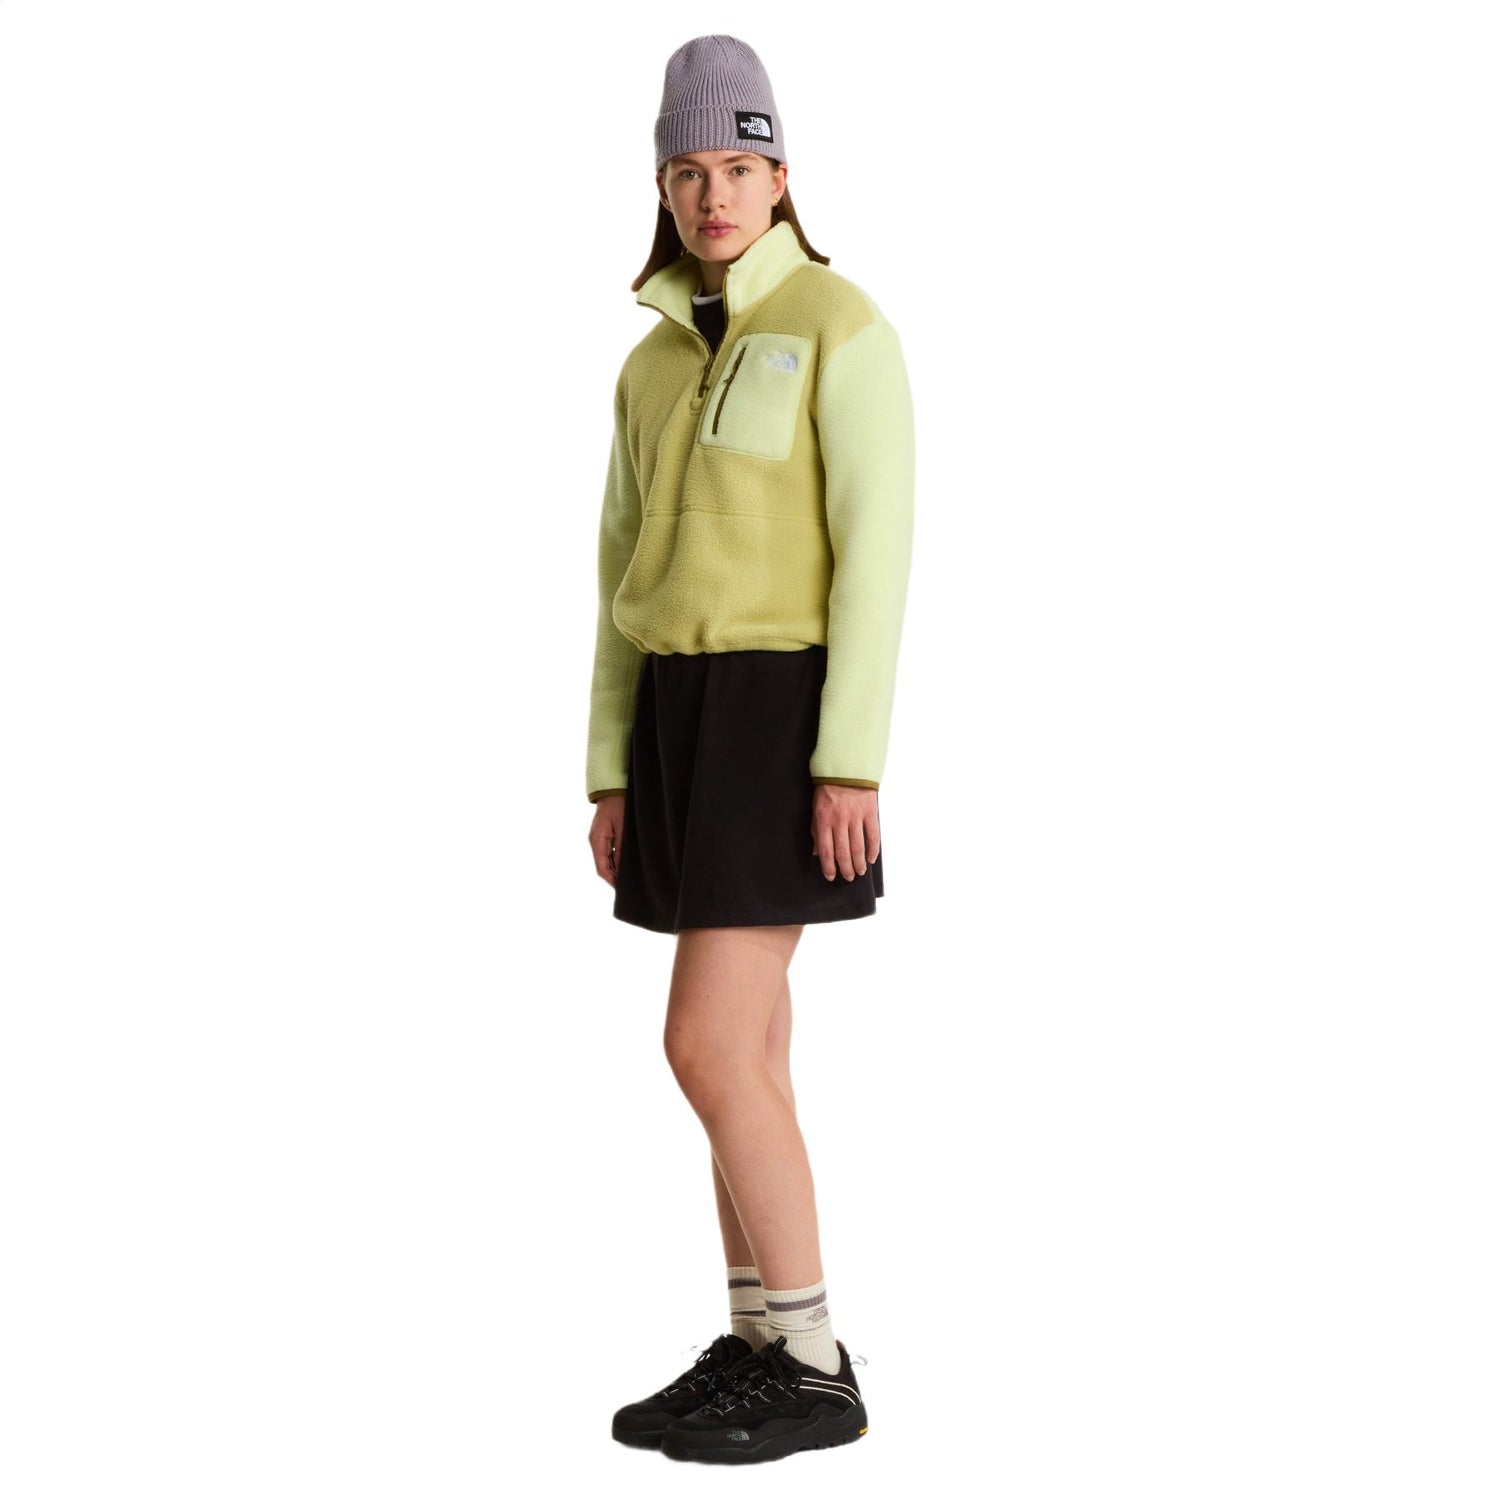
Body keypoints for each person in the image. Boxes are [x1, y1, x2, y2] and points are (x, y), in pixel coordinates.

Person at [583, 34, 915, 1466]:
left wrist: (850, 760)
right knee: (751, 1049)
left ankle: (817, 1362)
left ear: (782, 177)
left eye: (737, 165)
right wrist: (611, 766)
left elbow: (877, 556)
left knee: (706, 1041)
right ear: (662, 188)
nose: (712, 195)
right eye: (687, 171)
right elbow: (616, 572)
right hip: (675, 713)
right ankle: (762, 1339)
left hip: (782, 711)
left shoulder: (842, 326)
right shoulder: (651, 366)